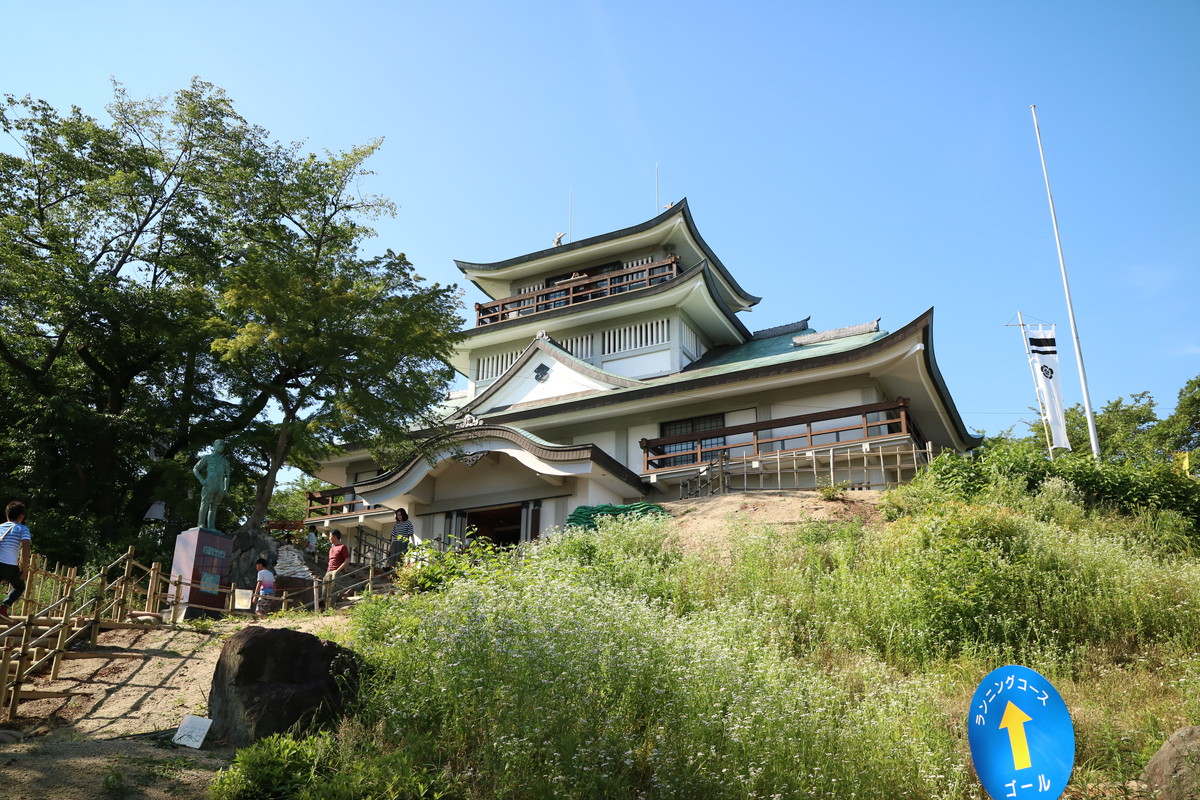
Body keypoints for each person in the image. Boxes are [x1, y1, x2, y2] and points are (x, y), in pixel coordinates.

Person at [0, 501, 32, 619]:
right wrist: (24, 569)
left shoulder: (0, 527)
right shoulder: (22, 529)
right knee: (19, 586)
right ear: (21, 516)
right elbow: (25, 548)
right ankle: (3, 607)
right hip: (9, 564)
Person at [193, 439, 232, 530]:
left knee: (214, 506)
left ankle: (211, 526)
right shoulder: (207, 458)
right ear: (214, 446)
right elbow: (195, 468)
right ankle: (201, 524)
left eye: (223, 445)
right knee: (205, 503)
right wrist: (201, 480)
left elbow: (227, 475)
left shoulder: (225, 461)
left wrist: (226, 487)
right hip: (209, 483)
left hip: (220, 485)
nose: (221, 446)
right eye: (219, 445)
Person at [324, 529, 349, 600]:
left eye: (330, 536)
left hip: (337, 571)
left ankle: (331, 608)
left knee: (332, 590)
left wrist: (338, 570)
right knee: (324, 591)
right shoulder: (331, 548)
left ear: (335, 536)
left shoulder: (342, 547)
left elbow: (347, 560)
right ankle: (325, 607)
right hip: (329, 571)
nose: (329, 538)